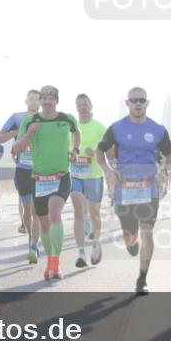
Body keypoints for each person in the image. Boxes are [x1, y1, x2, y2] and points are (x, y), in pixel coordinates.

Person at [96, 87, 171, 295]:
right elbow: (99, 151)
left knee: (147, 231)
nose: (138, 104)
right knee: (131, 236)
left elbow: (170, 155)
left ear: (147, 103)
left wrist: (165, 171)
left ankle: (142, 279)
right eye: (134, 100)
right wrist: (108, 171)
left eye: (141, 100)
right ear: (127, 103)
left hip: (149, 189)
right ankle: (130, 239)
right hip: (125, 190)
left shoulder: (158, 129)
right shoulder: (116, 128)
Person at [12, 85, 80, 281]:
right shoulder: (30, 121)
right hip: (39, 179)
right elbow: (17, 149)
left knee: (55, 212)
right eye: (44, 98)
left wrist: (75, 150)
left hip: (61, 176)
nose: (48, 102)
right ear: (41, 101)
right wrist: (29, 134)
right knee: (43, 223)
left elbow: (76, 133)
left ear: (56, 101)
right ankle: (50, 260)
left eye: (51, 99)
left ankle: (55, 263)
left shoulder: (67, 118)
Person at [0, 89, 42, 262]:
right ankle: (30, 234)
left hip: (40, 170)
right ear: (26, 101)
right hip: (23, 169)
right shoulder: (17, 117)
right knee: (27, 212)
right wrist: (16, 133)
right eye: (31, 98)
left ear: (40, 102)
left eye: (37, 99)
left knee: (37, 211)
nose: (34, 101)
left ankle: (33, 245)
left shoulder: (46, 118)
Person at [69, 93, 106, 267]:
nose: (82, 107)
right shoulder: (71, 128)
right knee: (78, 211)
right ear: (76, 108)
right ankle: (81, 253)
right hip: (76, 174)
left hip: (94, 175)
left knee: (94, 212)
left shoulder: (99, 127)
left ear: (91, 107)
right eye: (79, 105)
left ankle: (96, 243)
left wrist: (97, 152)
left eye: (85, 104)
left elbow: (109, 149)